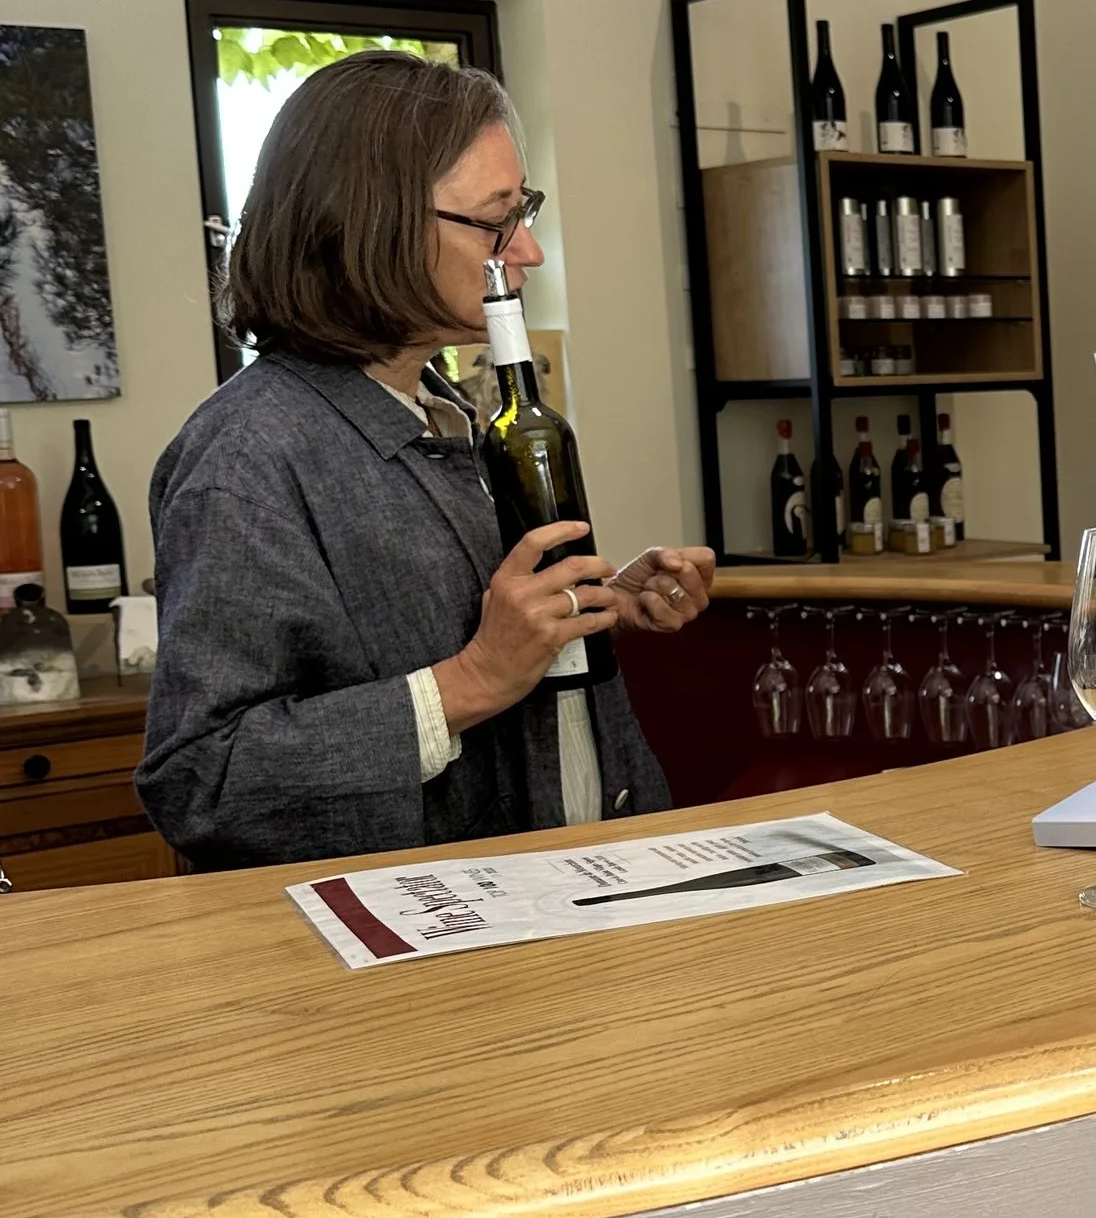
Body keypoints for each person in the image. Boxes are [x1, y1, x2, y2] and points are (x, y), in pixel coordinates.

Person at [141, 51, 714, 870]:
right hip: (436, 962)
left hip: (579, 893)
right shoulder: (247, 455)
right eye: (496, 220)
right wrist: (472, 679)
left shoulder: (452, 412)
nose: (530, 254)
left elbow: (452, 619)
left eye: (527, 212)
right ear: (372, 222)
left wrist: (588, 607)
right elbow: (204, 782)